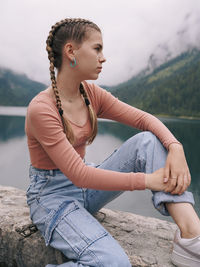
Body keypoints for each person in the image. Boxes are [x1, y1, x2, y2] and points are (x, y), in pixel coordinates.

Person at [25, 18, 200, 267]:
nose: (103, 57)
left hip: (84, 190)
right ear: (71, 51)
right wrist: (146, 180)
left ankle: (192, 237)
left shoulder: (90, 93)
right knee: (111, 262)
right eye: (97, 48)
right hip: (52, 197)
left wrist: (175, 146)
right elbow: (79, 174)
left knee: (148, 142)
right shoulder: (41, 109)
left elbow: (143, 118)